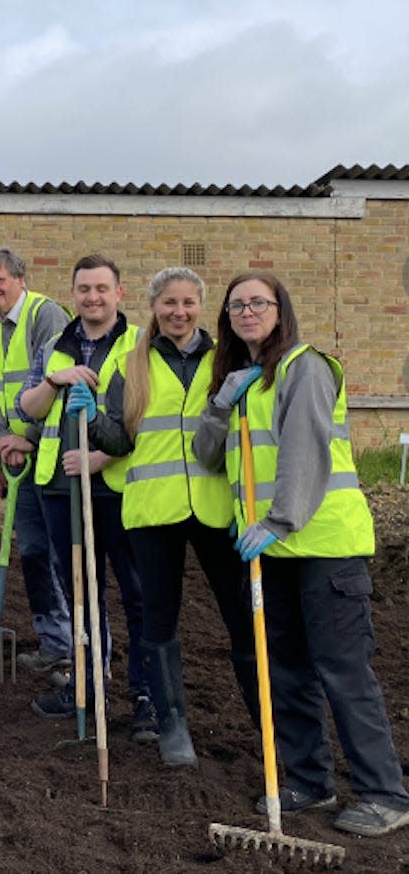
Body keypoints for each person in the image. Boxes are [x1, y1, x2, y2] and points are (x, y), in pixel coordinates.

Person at [193, 271, 409, 837]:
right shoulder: (246, 382)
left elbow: (305, 451)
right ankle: (311, 782)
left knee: (343, 670)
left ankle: (385, 794)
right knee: (285, 671)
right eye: (236, 305)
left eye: (258, 302)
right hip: (272, 553)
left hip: (323, 548)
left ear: (280, 308)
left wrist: (278, 520)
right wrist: (220, 404)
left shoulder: (303, 368)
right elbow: (208, 457)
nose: (246, 312)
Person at [82, 267, 258, 766]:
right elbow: (119, 441)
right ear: (153, 306)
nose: (178, 312)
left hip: (216, 508)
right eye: (168, 303)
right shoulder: (131, 364)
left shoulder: (226, 360)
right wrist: (93, 421)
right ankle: (173, 724)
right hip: (153, 512)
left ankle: (266, 719)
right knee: (158, 621)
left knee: (242, 619)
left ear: (202, 307)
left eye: (187, 303)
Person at [18, 254, 151, 739]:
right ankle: (90, 686)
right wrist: (57, 379)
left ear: (119, 293)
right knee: (81, 595)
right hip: (60, 485)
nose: (92, 297)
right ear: (72, 294)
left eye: (101, 288)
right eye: (83, 289)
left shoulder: (139, 344)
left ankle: (145, 697)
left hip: (117, 486)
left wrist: (101, 459)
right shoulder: (56, 345)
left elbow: (148, 418)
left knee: (136, 594)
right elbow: (28, 407)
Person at [0, 247, 73, 674]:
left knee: (62, 552)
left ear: (20, 277)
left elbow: (58, 380)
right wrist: (2, 439)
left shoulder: (46, 316)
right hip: (16, 458)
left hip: (50, 454)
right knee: (31, 550)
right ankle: (53, 640)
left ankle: (79, 642)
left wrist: (27, 437)